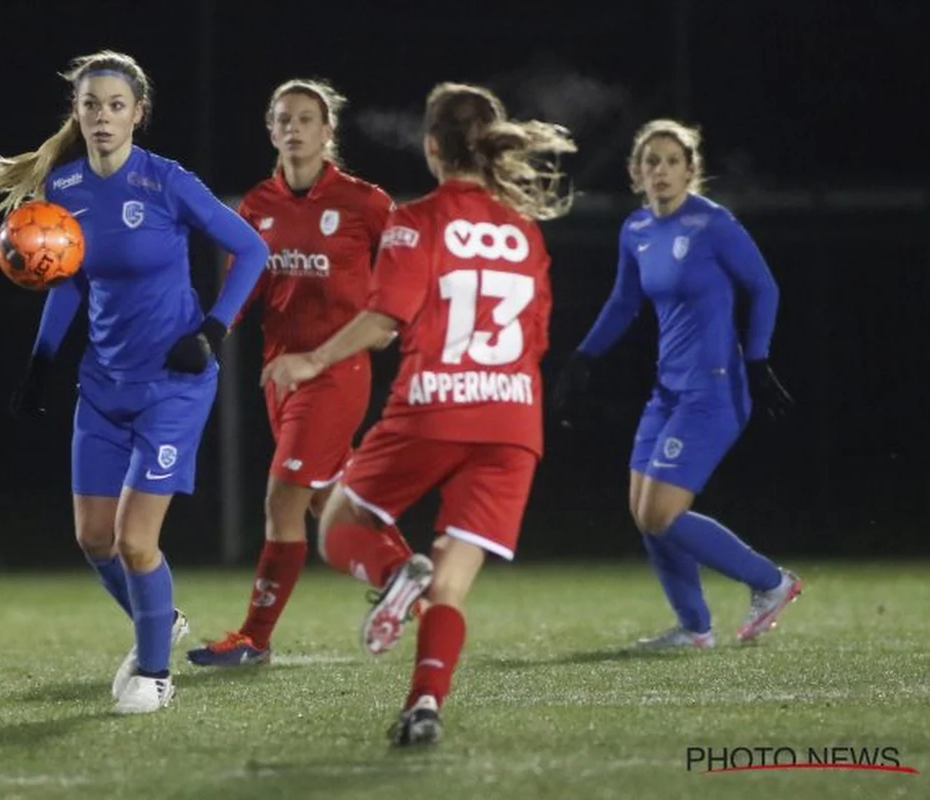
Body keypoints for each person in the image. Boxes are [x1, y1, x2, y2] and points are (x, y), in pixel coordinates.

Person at [264, 82, 576, 745]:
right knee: (453, 584)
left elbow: (381, 322)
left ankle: (392, 575)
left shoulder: (418, 219)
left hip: (433, 408)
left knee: (342, 522)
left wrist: (312, 361)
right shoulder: (524, 230)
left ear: (431, 146)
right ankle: (424, 705)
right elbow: (538, 339)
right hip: (514, 421)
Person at [0, 50, 268, 713]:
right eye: (90, 105)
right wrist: (39, 363)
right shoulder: (66, 190)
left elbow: (252, 249)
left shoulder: (166, 182)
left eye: (115, 105)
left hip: (173, 382)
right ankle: (158, 620)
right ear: (75, 114)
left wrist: (214, 331)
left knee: (138, 541)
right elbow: (70, 282)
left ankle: (156, 677)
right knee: (94, 540)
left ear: (139, 113)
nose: (102, 117)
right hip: (103, 388)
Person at [551, 118, 801, 650]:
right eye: (650, 162)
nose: (660, 170)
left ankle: (771, 582)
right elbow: (624, 302)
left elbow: (765, 288)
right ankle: (694, 629)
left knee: (661, 513)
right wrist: (583, 357)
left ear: (691, 170)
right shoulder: (637, 230)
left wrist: (756, 362)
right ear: (635, 173)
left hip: (713, 389)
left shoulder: (713, 225)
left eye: (671, 161)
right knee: (644, 514)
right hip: (668, 389)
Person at [185, 79, 398, 668]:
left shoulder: (365, 202)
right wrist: (205, 334)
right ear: (271, 130)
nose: (295, 128)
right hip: (280, 377)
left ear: (329, 131)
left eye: (308, 118)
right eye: (284, 119)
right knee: (328, 503)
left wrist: (397, 321)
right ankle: (409, 580)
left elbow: (409, 269)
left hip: (336, 373)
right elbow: (242, 292)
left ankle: (255, 638)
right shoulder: (256, 207)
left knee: (282, 501)